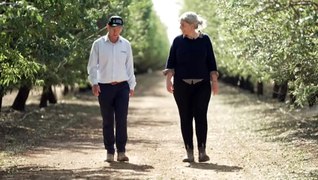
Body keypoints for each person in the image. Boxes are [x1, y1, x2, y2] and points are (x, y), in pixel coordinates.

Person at [163, 11, 219, 162]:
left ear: (193, 25)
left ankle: (202, 151)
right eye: (181, 24)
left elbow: (211, 62)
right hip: (182, 86)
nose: (180, 27)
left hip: (202, 86)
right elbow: (171, 62)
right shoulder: (177, 41)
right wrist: (168, 80)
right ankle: (189, 152)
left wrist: (214, 82)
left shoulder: (205, 40)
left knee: (201, 117)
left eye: (183, 24)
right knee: (185, 117)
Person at [87, 15, 136, 162]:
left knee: (121, 119)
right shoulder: (98, 44)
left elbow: (130, 67)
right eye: (113, 28)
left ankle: (121, 151)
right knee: (107, 120)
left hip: (122, 87)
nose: (116, 32)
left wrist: (131, 85)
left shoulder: (126, 44)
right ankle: (109, 151)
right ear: (108, 27)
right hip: (104, 87)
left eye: (119, 29)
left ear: (121, 29)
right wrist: (94, 83)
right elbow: (92, 66)